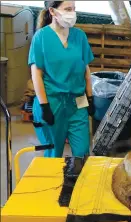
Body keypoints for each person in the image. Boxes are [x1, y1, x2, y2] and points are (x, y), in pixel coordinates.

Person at [29, 1, 95, 159]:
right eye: (67, 9)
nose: (72, 13)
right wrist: (44, 106)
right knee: (54, 152)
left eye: (74, 9)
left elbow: (86, 70)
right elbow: (36, 74)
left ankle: (77, 181)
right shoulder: (41, 38)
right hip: (52, 102)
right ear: (52, 11)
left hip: (77, 102)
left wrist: (90, 97)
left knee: (82, 151)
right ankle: (55, 183)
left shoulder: (79, 36)